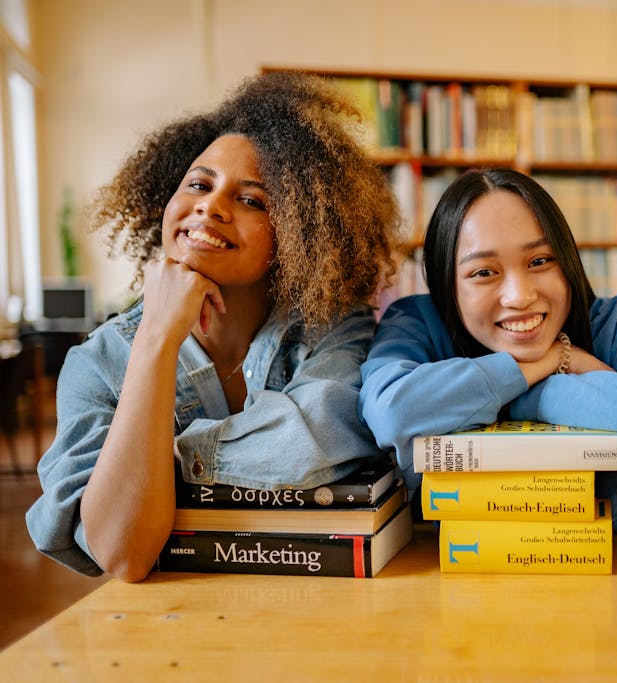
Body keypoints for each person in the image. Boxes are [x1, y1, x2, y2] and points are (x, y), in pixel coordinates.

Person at [26, 72, 401, 581]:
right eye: (199, 184)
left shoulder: (335, 330)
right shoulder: (98, 362)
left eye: (252, 201)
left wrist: (158, 466)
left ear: (299, 233)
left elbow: (318, 435)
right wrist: (156, 339)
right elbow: (124, 554)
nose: (209, 205)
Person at [359, 168, 617, 521]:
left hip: (603, 558)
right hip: (436, 563)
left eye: (539, 261)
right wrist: (552, 360)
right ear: (447, 283)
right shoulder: (416, 322)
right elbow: (391, 411)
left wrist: (521, 399)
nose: (520, 296)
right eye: (484, 272)